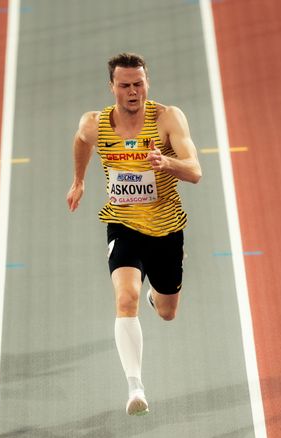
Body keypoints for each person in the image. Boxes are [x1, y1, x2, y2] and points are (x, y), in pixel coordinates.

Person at [66, 52, 201, 416]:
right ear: (111, 87)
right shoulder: (96, 123)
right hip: (123, 224)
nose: (132, 91)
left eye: (138, 84)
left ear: (147, 83)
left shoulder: (168, 118)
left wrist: (167, 162)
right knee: (126, 299)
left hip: (166, 228)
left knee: (167, 313)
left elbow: (195, 171)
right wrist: (78, 181)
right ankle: (135, 387)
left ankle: (159, 297)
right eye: (124, 85)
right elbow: (81, 140)